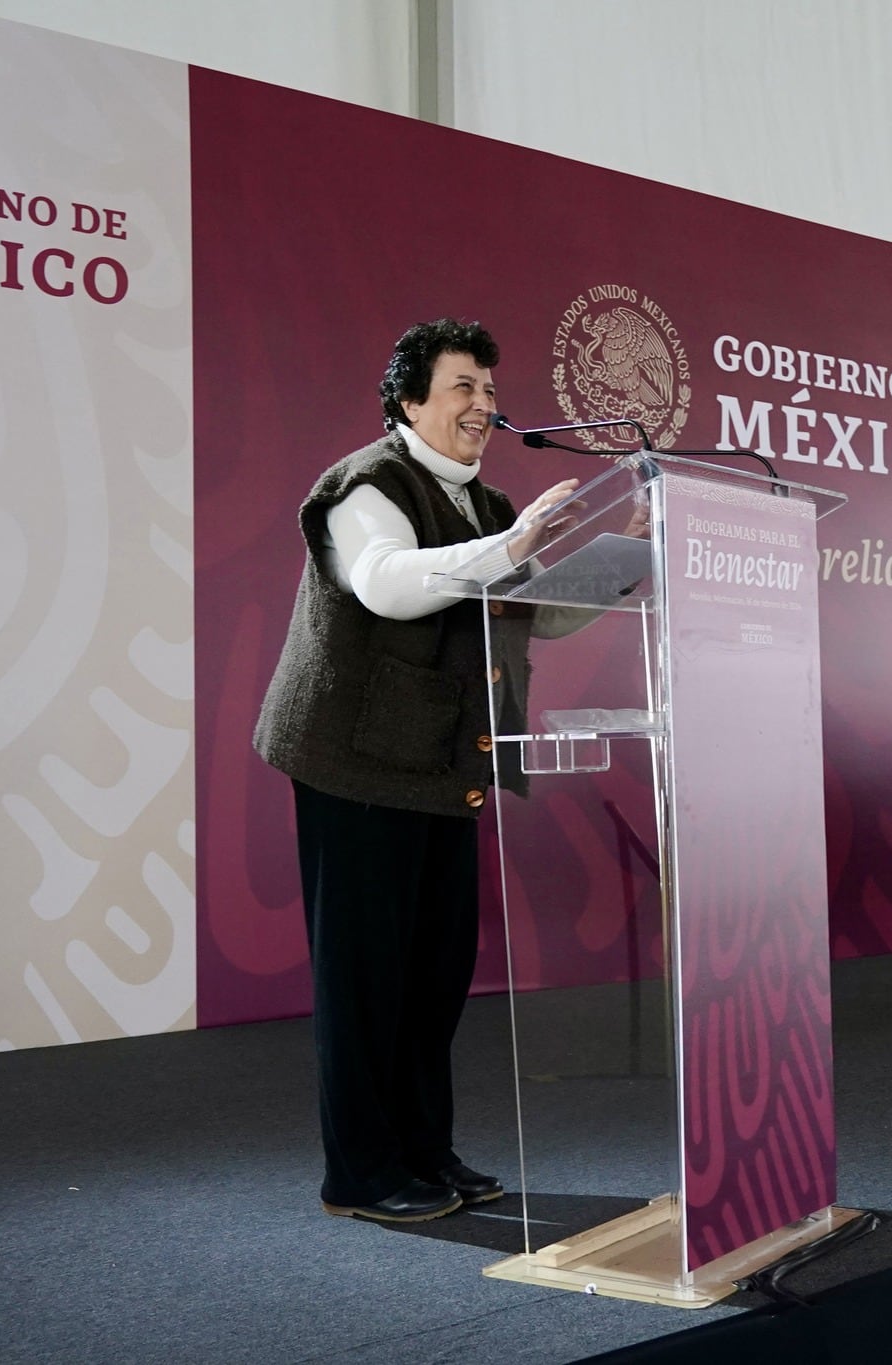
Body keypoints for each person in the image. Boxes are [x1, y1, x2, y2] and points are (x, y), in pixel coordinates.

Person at [254, 319, 586, 1223]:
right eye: (463, 389)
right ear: (408, 403)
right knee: (365, 979)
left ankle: (422, 1150)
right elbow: (387, 582)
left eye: (489, 389)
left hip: (442, 764)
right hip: (355, 762)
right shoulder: (366, 484)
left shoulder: (485, 505)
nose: (485, 406)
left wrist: (614, 567)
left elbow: (526, 616)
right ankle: (359, 1173)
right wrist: (515, 546)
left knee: (433, 973)